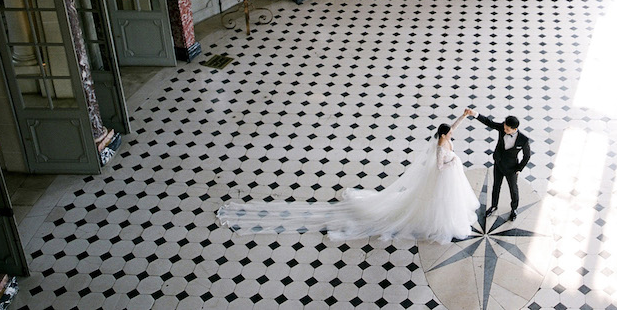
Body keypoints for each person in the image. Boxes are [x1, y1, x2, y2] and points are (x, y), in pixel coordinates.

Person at [217, 112, 478, 244]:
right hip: (445, 177)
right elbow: (440, 167)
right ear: (443, 137)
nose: (451, 135)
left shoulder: (445, 136)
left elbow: (452, 128)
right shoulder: (442, 148)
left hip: (448, 176)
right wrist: (454, 161)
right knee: (439, 204)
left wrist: (464, 117)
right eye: (449, 133)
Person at [467, 108, 530, 221]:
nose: (504, 130)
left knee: (513, 189)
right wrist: (475, 114)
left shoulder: (523, 140)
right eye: (504, 127)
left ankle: (514, 209)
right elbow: (489, 122)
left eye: (507, 129)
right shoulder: (502, 127)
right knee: (496, 186)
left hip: (512, 168)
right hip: (499, 164)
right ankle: (494, 205)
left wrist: (519, 168)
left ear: (514, 129)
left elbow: (527, 156)